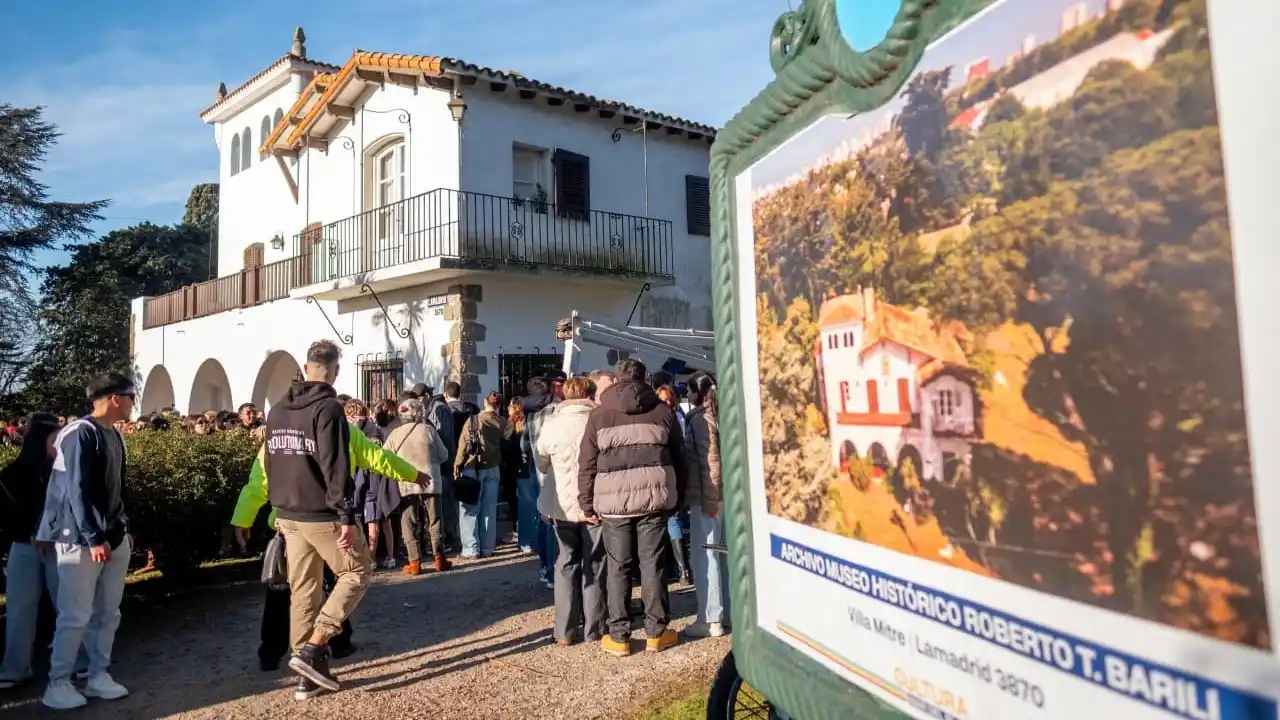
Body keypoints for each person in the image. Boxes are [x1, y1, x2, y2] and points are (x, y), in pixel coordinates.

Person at [265, 340, 426, 698]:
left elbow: (270, 461)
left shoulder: (276, 411)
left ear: (306, 368)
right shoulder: (328, 409)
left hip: (288, 513)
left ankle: (306, 673)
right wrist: (346, 515)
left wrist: (277, 508)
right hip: (321, 513)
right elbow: (334, 464)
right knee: (357, 571)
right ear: (335, 371)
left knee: (303, 591)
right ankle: (315, 645)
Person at [231, 417, 423, 685]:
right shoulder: (340, 427)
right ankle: (329, 645)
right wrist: (412, 474)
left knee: (291, 590)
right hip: (327, 521)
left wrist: (244, 515)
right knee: (342, 581)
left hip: (289, 522)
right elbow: (377, 457)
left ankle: (277, 654)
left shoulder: (281, 428)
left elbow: (260, 479)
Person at [37, 373, 136, 710]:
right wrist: (94, 537)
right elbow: (77, 490)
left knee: (108, 613)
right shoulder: (81, 434)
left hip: (112, 536)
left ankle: (98, 674)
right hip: (80, 540)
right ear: (113, 399)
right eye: (129, 395)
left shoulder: (115, 436)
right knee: (75, 615)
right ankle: (58, 682)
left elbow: (116, 489)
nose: (132, 402)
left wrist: (121, 528)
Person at [578, 359, 687, 657]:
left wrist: (586, 501)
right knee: (653, 564)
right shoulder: (663, 412)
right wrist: (679, 496)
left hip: (613, 502)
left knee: (618, 566)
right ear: (645, 378)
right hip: (654, 497)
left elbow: (586, 462)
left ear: (616, 381)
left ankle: (620, 635)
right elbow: (680, 456)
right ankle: (656, 632)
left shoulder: (599, 414)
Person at [535, 377, 607, 646]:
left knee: (565, 561)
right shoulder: (599, 419)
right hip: (594, 500)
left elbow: (542, 462)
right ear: (590, 393)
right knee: (595, 562)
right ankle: (594, 627)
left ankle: (564, 629)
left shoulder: (553, 423)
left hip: (562, 502)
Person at [0, 414, 63, 689]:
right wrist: (32, 531)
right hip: (24, 547)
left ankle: (80, 663)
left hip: (58, 548)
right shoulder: (12, 475)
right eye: (55, 439)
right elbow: (8, 515)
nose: (60, 445)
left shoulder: (63, 472)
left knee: (69, 607)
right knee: (19, 609)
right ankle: (15, 669)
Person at [682, 373, 729, 638]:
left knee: (706, 557)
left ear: (695, 394)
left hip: (707, 498)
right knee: (723, 556)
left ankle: (710, 618)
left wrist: (710, 500)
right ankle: (729, 613)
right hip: (726, 498)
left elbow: (711, 463)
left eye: (687, 391)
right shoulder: (722, 414)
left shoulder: (701, 420)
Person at [384, 398, 452, 575]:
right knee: (435, 520)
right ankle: (439, 559)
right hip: (430, 480)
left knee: (409, 521)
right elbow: (444, 455)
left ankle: (414, 562)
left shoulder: (395, 434)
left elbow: (385, 458)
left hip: (407, 481)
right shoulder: (428, 430)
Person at [347, 400, 398, 570]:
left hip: (368, 483)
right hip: (379, 480)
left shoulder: (359, 433)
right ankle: (387, 557)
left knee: (371, 521)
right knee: (382, 521)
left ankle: (371, 558)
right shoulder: (375, 431)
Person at [454, 391, 506, 558]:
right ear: (499, 405)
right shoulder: (503, 422)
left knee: (469, 509)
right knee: (489, 510)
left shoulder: (474, 420)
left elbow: (464, 445)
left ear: (485, 402)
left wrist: (457, 465)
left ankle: (471, 548)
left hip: (473, 466)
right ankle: (487, 547)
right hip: (493, 467)